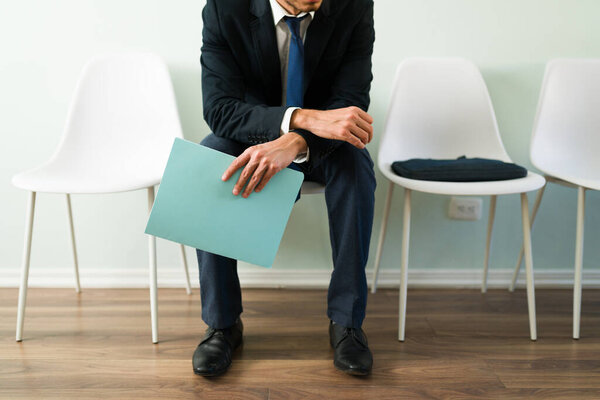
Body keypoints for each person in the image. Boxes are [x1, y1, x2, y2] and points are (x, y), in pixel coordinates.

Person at [193, 0, 376, 377]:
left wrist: (296, 142)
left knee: (356, 166)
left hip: (324, 145)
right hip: (252, 134)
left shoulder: (354, 6)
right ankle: (223, 324)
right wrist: (298, 119)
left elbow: (350, 104)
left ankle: (347, 323)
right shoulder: (225, 8)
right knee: (210, 156)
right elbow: (220, 108)